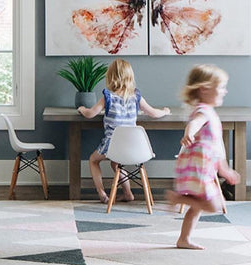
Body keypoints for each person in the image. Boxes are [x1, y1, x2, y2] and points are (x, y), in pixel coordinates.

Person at [166, 64, 240, 250]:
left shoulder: (210, 111)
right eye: (221, 87)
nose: (225, 91)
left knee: (198, 205)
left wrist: (225, 170)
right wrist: (189, 132)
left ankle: (184, 239)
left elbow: (218, 147)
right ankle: (177, 199)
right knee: (212, 205)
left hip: (206, 164)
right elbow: (195, 123)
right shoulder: (203, 111)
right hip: (199, 165)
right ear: (205, 89)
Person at [78, 59, 171, 203]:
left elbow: (91, 114)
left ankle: (101, 192)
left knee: (93, 160)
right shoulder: (136, 96)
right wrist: (164, 111)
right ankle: (128, 194)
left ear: (110, 76)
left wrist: (82, 109)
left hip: (113, 143)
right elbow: (153, 113)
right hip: (133, 145)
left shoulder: (108, 96)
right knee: (116, 164)